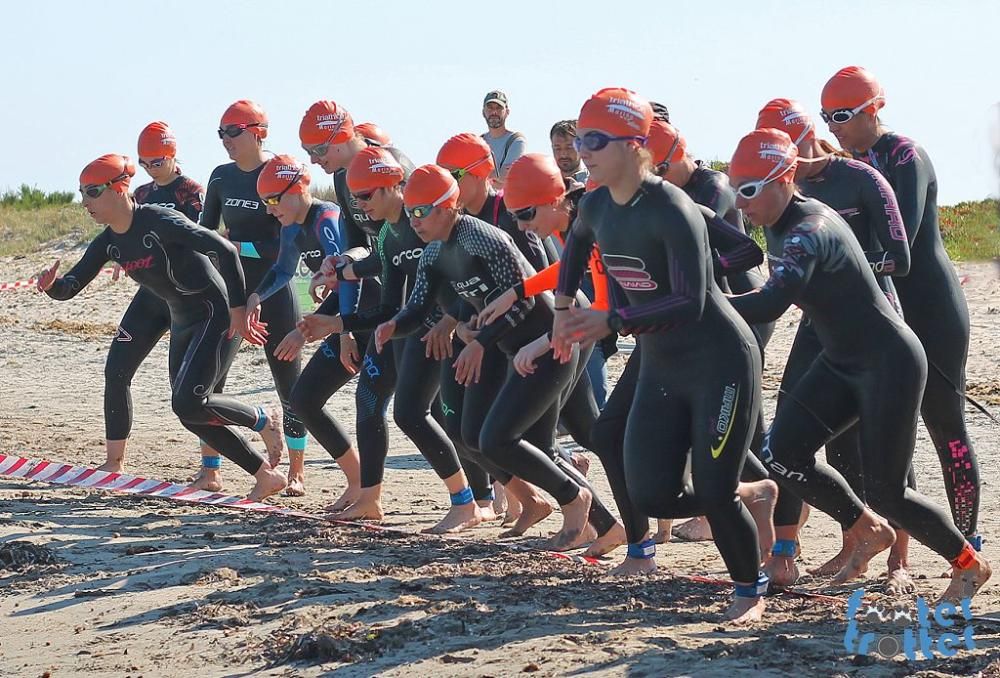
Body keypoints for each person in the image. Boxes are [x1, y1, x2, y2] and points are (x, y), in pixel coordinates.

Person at [726, 127, 990, 604]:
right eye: (733, 189)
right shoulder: (777, 219)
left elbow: (770, 304)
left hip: (889, 361)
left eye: (748, 190)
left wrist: (696, 305)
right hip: (840, 358)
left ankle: (969, 563)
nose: (740, 203)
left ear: (785, 178)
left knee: (888, 490)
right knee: (783, 454)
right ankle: (865, 527)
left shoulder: (810, 229)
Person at [552, 88, 767, 624]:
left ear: (635, 145)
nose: (584, 151)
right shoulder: (597, 203)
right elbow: (575, 247)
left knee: (714, 493)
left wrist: (612, 320)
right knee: (652, 494)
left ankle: (749, 590)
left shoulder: (671, 208)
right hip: (663, 365)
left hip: (719, 360)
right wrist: (560, 309)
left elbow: (691, 301)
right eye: (581, 139)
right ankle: (753, 491)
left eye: (596, 140)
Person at [375, 165, 623, 553]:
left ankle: (577, 503)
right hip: (511, 349)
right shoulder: (434, 253)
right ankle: (605, 528)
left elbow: (521, 301)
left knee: (502, 439)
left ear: (447, 207)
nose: (413, 221)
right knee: (479, 436)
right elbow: (418, 309)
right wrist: (391, 325)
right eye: (409, 212)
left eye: (421, 211)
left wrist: (478, 342)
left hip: (548, 342)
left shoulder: (484, 239)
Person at [38, 154, 286, 501]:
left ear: (120, 188)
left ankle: (262, 419)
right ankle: (265, 475)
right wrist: (51, 285)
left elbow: (226, 251)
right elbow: (72, 286)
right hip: (182, 319)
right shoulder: (109, 241)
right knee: (189, 411)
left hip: (214, 314)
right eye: (81, 193)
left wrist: (236, 310)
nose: (85, 202)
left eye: (92, 192)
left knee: (188, 402)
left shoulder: (159, 219)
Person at [821, 66, 983, 558]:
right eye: (827, 117)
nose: (834, 127)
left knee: (943, 423)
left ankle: (967, 542)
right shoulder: (850, 163)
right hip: (884, 310)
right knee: (865, 430)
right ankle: (879, 542)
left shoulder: (905, 156)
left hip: (929, 306)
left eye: (843, 115)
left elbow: (902, 243)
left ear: (873, 109)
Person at [755, 97, 916, 590]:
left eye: (788, 143)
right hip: (817, 324)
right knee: (792, 437)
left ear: (807, 136)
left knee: (883, 447)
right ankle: (824, 548)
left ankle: (899, 563)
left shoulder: (861, 178)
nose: (785, 156)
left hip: (872, 317)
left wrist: (840, 268)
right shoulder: (778, 192)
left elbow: (901, 257)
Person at [295, 147, 486, 533]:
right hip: (410, 326)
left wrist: (454, 323)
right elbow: (387, 302)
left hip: (443, 330)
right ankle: (370, 498)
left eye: (366, 197)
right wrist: (337, 318)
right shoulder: (387, 234)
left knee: (427, 417)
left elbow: (462, 278)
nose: (359, 207)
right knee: (370, 400)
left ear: (393, 187)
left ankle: (474, 501)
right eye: (354, 199)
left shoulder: (423, 222)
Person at [642, 119, 778, 547]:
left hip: (743, 305)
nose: (657, 181)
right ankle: (757, 498)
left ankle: (741, 502)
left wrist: (697, 273)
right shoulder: (675, 190)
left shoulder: (714, 188)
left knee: (736, 416)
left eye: (660, 171)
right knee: (736, 417)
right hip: (709, 310)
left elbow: (713, 248)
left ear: (680, 155)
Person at [214, 153, 365, 510]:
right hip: (343, 318)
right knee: (305, 400)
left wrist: (342, 333)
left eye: (272, 200)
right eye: (264, 202)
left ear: (296, 190)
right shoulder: (292, 227)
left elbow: (350, 279)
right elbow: (283, 271)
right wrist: (255, 296)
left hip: (363, 318)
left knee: (385, 408)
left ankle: (479, 497)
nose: (268, 210)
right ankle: (360, 487)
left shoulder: (326, 219)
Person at [199, 100, 308, 494]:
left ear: (258, 131)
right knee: (212, 381)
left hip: (275, 289)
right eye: (221, 133)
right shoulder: (221, 177)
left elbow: (285, 245)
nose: (226, 140)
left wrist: (235, 246)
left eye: (233, 131)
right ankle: (210, 467)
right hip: (232, 293)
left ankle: (296, 470)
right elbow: (205, 236)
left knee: (289, 383)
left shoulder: (280, 171)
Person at [98, 122, 208, 475]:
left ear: (173, 154)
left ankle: (211, 468)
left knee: (191, 391)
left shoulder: (191, 192)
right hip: (149, 300)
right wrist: (121, 256)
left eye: (157, 161)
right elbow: (120, 232)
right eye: (144, 163)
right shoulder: (141, 195)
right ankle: (113, 463)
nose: (150, 169)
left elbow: (197, 244)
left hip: (187, 302)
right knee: (116, 371)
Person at [482, 90, 526, 189]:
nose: (494, 112)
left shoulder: (516, 140)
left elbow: (507, 176)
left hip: (505, 203)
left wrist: (481, 175)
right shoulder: (478, 142)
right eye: (490, 108)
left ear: (507, 112)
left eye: (499, 108)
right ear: (483, 112)